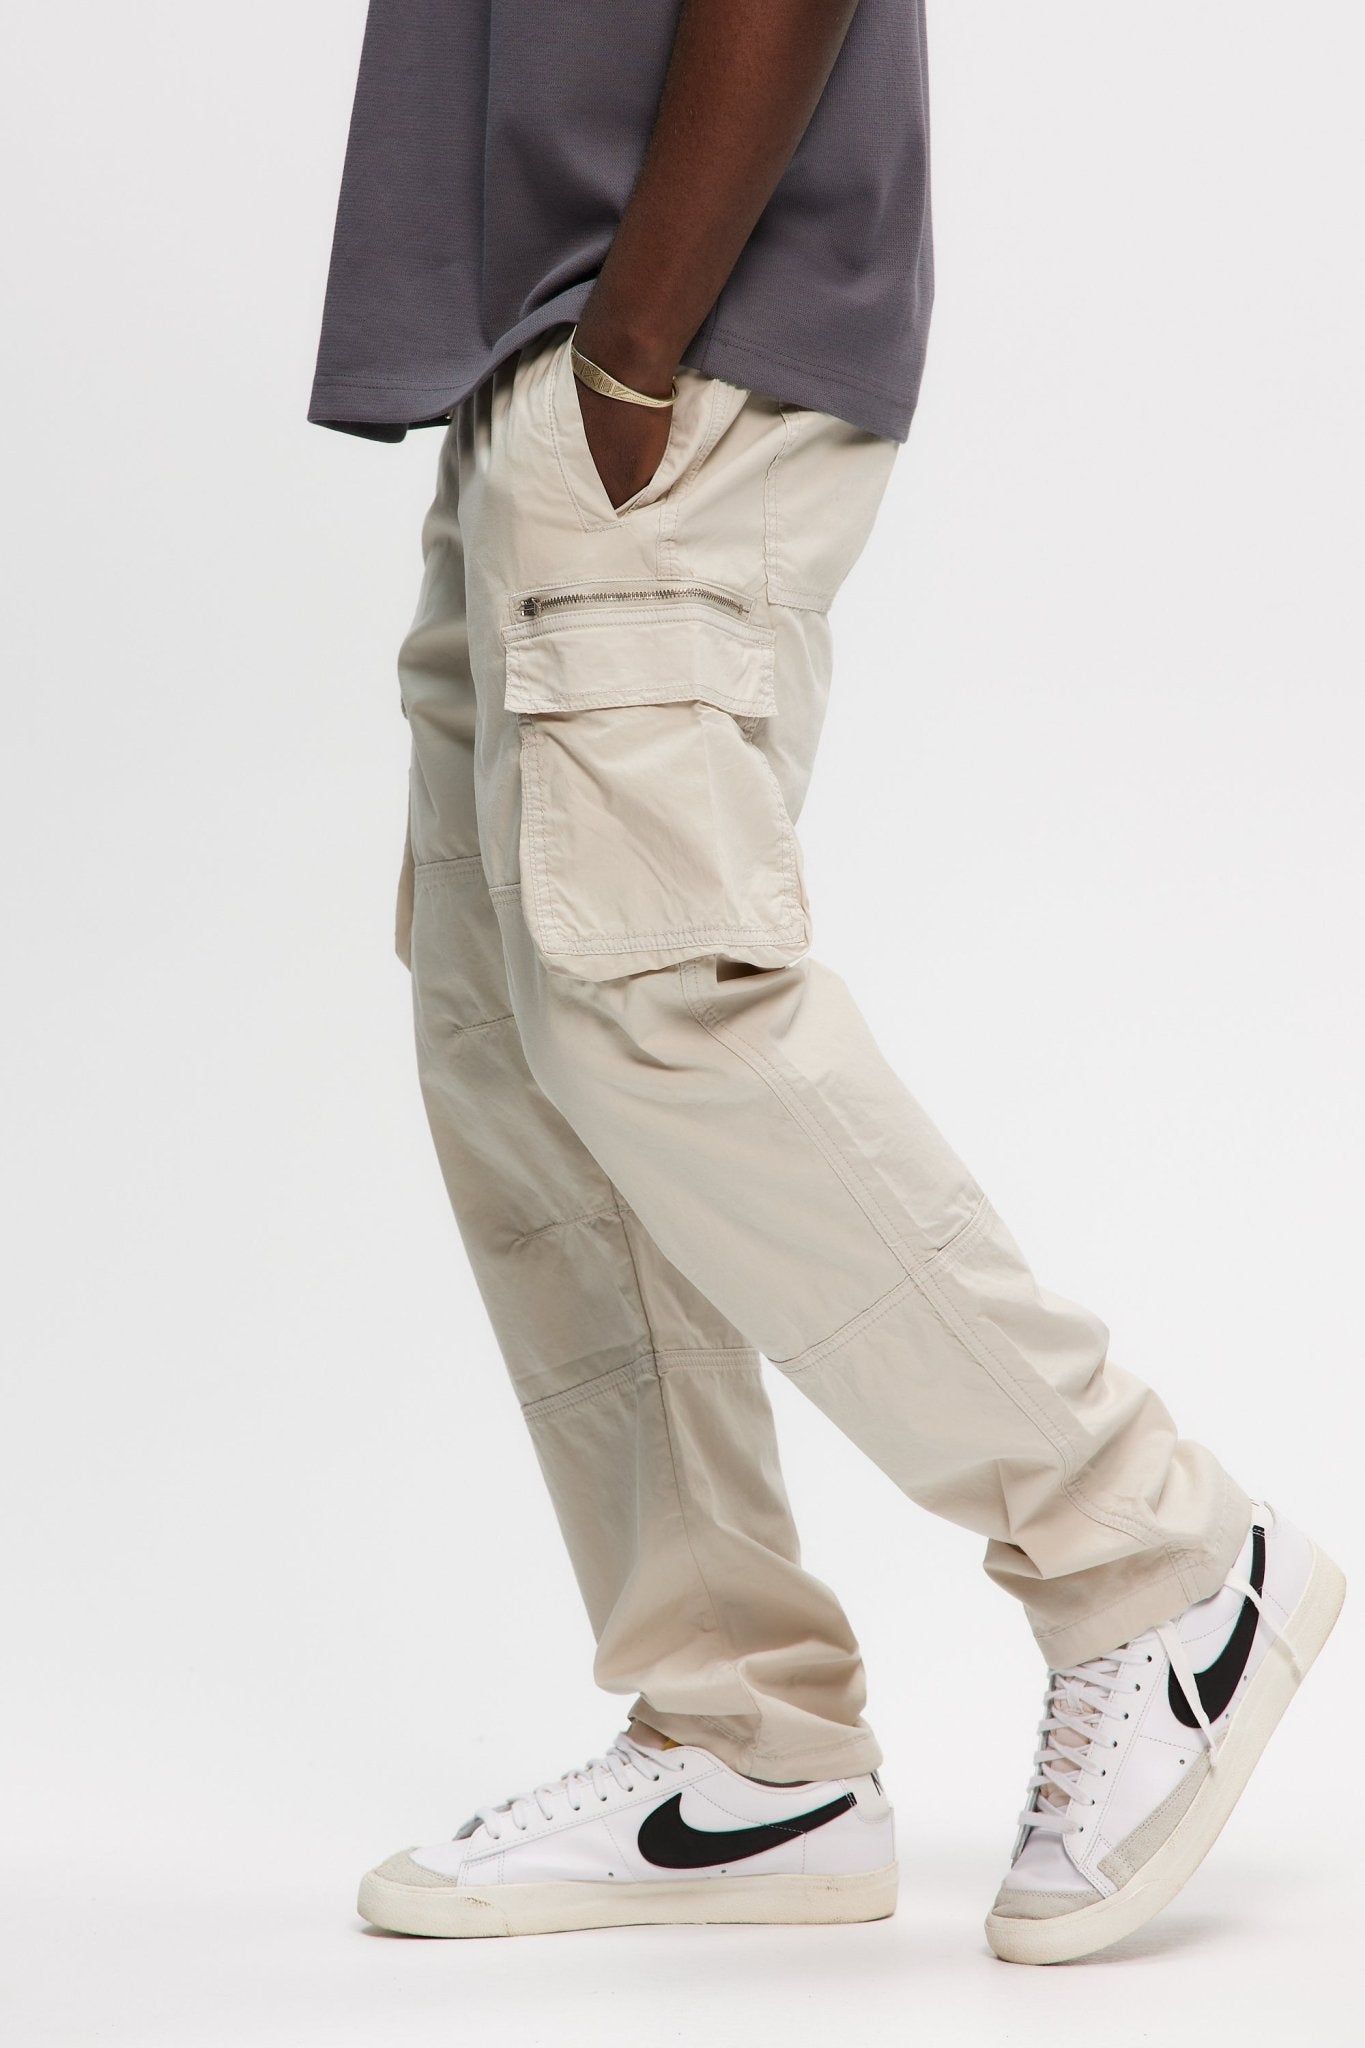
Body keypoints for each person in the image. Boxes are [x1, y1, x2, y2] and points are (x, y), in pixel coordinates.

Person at [307, 1, 1343, 1962]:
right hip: (536, 366)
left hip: (659, 341)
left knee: (654, 1006)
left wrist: (633, 343)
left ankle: (1154, 1557)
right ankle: (744, 1740)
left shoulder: (641, 350)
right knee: (515, 1046)